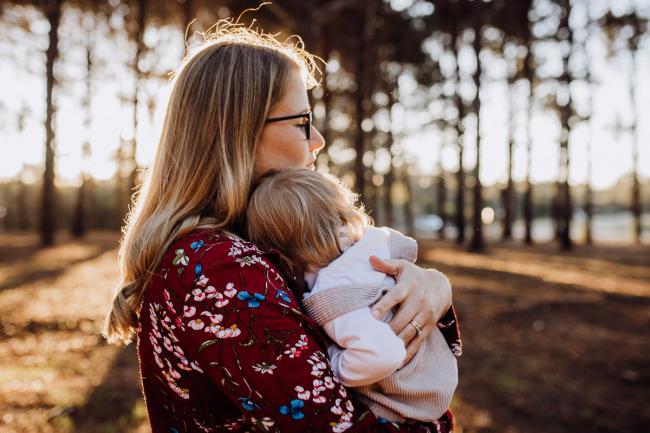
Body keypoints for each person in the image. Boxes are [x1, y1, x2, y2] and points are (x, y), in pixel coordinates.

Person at [103, 20, 457, 433]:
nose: (319, 139)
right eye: (302, 120)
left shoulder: (236, 249)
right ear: (239, 131)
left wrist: (433, 289)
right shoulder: (220, 270)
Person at [246, 168, 462, 425]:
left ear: (282, 255)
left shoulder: (334, 296)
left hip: (408, 400)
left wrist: (333, 365)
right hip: (437, 373)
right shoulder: (373, 246)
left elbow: (384, 354)